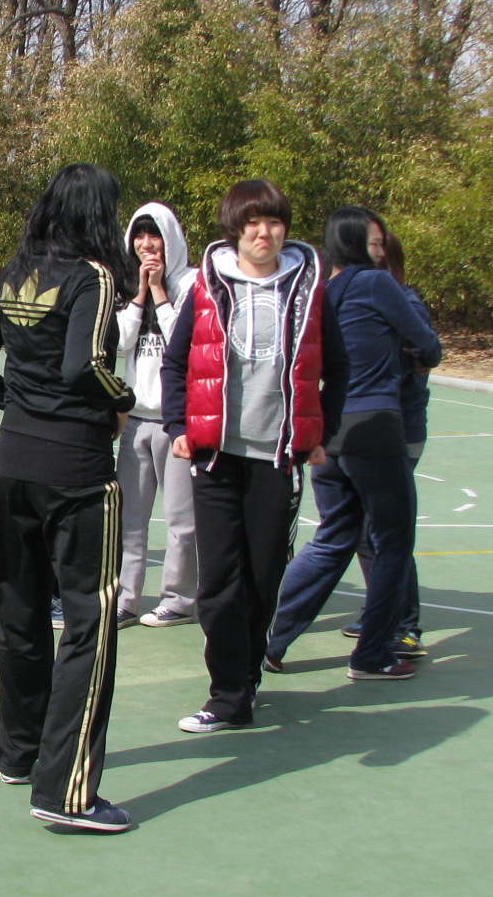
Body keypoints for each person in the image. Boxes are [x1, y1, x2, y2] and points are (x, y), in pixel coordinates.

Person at [0, 163, 137, 833]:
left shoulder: (14, 272)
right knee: (91, 622)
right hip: (77, 467)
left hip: (15, 462)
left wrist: (20, 404)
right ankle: (67, 791)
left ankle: (19, 751)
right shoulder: (93, 277)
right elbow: (84, 366)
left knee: (21, 608)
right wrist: (124, 401)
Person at [160, 179, 349, 734]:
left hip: (278, 457)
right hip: (217, 457)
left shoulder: (309, 288)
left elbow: (337, 368)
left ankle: (245, 681)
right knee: (219, 583)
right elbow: (176, 362)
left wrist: (322, 431)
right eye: (252, 223)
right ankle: (226, 695)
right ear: (234, 230)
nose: (264, 233)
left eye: (273, 222)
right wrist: (178, 426)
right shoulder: (208, 286)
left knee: (263, 579)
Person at [262, 210, 441, 679]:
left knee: (332, 538)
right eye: (375, 243)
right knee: (392, 543)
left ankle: (266, 640)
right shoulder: (377, 284)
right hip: (375, 427)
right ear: (357, 243)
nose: (381, 252)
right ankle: (373, 654)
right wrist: (414, 356)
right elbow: (428, 345)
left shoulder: (320, 290)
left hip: (329, 430)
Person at [341, 229, 429, 653]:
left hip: (399, 430)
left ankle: (405, 625)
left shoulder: (404, 302)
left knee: (386, 531)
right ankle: (381, 612)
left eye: (377, 252)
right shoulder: (362, 299)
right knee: (364, 532)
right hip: (368, 428)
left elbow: (424, 356)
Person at [114, 202, 198, 630]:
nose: (146, 244)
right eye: (139, 236)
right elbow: (121, 341)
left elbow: (185, 340)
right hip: (137, 420)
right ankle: (125, 597)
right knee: (130, 519)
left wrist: (161, 291)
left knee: (182, 522)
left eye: (155, 236)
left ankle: (179, 599)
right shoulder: (129, 286)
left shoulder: (192, 283)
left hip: (178, 422)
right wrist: (142, 293)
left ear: (171, 239)